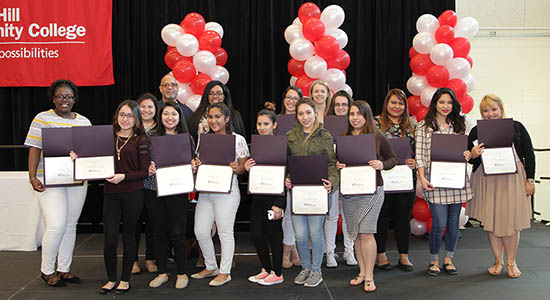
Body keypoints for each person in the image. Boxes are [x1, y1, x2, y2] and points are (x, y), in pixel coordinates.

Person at [25, 79, 91, 287]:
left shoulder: (84, 122)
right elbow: (34, 148)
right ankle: (47, 270)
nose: (65, 100)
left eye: (69, 97)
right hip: (49, 181)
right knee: (56, 225)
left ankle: (64, 269)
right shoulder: (42, 119)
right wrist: (32, 176)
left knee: (71, 225)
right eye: (60, 96)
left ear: (74, 100)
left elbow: (90, 152)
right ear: (53, 98)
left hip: (77, 180)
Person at [467, 94, 535, 278]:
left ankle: (512, 262)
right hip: (487, 180)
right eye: (486, 111)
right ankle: (498, 261)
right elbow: (471, 161)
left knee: (512, 223)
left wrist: (530, 180)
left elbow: (529, 154)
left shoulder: (517, 127)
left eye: (494, 109)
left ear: (501, 108)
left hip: (513, 180)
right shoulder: (475, 131)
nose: (490, 114)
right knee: (491, 222)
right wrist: (472, 154)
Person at [337, 100, 397, 292]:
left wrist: (382, 165)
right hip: (350, 191)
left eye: (359, 114)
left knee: (367, 232)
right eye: (352, 114)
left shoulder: (377, 136)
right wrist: (338, 166)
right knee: (355, 233)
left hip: (372, 191)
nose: (355, 118)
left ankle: (370, 276)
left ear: (367, 116)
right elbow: (339, 162)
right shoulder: (343, 137)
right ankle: (361, 272)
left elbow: (393, 159)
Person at [415, 88, 472, 277]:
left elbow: (467, 152)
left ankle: (449, 259)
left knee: (454, 223)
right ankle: (433, 260)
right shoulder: (424, 126)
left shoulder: (459, 125)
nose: (445, 106)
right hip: (434, 181)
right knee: (439, 223)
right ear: (435, 104)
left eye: (449, 102)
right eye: (442, 102)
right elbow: (420, 155)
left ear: (453, 104)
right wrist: (422, 178)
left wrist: (468, 154)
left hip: (456, 180)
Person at [190, 103, 249, 287]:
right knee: (200, 231)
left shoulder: (236, 139)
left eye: (217, 117)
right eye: (211, 117)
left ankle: (225, 272)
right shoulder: (204, 139)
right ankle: (210, 266)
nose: (214, 121)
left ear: (227, 119)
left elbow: (243, 168)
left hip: (227, 191)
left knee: (225, 232)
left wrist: (237, 167)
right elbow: (200, 163)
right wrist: (197, 164)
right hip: (206, 190)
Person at [94, 100, 149, 295]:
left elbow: (144, 172)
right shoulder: (107, 137)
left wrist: (123, 177)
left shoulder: (140, 140)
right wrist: (79, 159)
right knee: (109, 239)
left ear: (136, 119)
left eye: (130, 116)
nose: (125, 119)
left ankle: (125, 279)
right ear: (116, 117)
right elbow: (93, 160)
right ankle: (110, 279)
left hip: (133, 194)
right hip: (110, 194)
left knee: (129, 237)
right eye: (122, 115)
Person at [285, 98, 338, 287]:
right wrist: (287, 178)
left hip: (317, 192)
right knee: (300, 234)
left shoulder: (325, 135)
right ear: (296, 116)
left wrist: (331, 182)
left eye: (308, 112)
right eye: (301, 114)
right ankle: (305, 268)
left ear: (315, 113)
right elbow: (286, 163)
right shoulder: (290, 135)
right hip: (297, 191)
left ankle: (316, 270)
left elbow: (332, 164)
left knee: (315, 232)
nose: (305, 117)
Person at [147, 101, 195, 289]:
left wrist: (192, 166)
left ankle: (182, 273)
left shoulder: (186, 138)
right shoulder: (151, 136)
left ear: (179, 117)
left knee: (177, 232)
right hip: (154, 189)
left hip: (178, 190)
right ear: (160, 116)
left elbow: (192, 161)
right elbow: (144, 160)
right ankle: (162, 273)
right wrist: (148, 167)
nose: (169, 118)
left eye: (173, 114)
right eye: (166, 114)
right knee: (158, 232)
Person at [374, 89, 416, 271]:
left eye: (400, 103)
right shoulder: (375, 123)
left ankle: (404, 256)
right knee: (381, 217)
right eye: (393, 102)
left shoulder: (412, 125)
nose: (396, 106)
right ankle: (381, 255)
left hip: (405, 177)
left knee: (403, 218)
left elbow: (418, 150)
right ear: (386, 104)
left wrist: (415, 161)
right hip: (382, 177)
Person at [245, 102, 286, 286]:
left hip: (274, 198)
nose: (262, 127)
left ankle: (277, 273)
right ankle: (266, 268)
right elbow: (253, 171)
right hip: (257, 197)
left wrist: (280, 203)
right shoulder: (254, 144)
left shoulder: (282, 145)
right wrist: (247, 168)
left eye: (266, 124)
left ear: (274, 125)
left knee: (274, 235)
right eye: (259, 124)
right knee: (256, 234)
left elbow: (287, 174)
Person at [323, 89, 357, 267]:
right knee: (332, 215)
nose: (341, 107)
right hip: (333, 176)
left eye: (345, 104)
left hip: (351, 176)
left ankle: (349, 251)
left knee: (349, 215)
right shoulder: (325, 127)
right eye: (337, 104)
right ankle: (329, 253)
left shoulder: (356, 126)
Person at [132, 93, 160, 275]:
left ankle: (151, 258)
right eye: (143, 107)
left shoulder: (161, 129)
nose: (147, 110)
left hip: (154, 183)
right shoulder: (130, 128)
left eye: (150, 107)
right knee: (133, 223)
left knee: (153, 223)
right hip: (133, 183)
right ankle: (132, 260)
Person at [279, 87, 303, 269]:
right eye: (288, 97)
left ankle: (290, 249)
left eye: (295, 98)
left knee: (292, 212)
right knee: (283, 211)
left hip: (296, 169)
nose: (291, 101)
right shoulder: (276, 120)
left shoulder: (304, 121)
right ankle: (290, 250)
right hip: (278, 169)